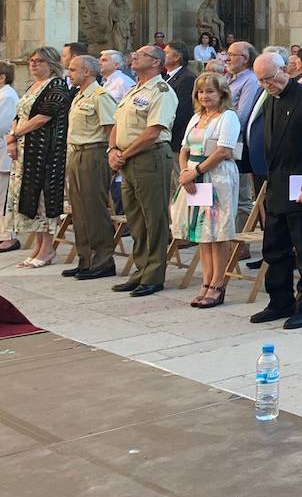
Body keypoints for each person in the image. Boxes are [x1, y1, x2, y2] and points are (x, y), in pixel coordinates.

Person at [246, 53, 302, 328]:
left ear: (285, 69)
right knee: (275, 248)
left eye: (270, 78)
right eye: (261, 80)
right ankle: (280, 300)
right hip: (277, 185)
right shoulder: (271, 100)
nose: (266, 84)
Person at [107, 45, 178, 295]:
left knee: (153, 218)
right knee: (135, 219)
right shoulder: (133, 89)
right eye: (134, 54)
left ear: (157, 62)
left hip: (149, 157)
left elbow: (153, 130)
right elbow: (118, 123)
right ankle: (140, 270)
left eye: (142, 55)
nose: (134, 57)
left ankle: (154, 274)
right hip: (127, 159)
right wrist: (113, 150)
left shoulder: (161, 90)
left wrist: (124, 154)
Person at [171, 72, 240, 308]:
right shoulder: (196, 117)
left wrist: (196, 171)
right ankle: (205, 281)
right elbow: (183, 149)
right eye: (201, 91)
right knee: (202, 233)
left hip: (216, 178)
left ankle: (217, 284)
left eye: (209, 91)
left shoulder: (227, 117)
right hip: (193, 177)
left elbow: (222, 151)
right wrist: (184, 173)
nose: (204, 95)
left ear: (221, 93)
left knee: (216, 232)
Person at [7, 48, 72, 269]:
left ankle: (48, 248)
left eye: (39, 61)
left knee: (43, 198)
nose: (33, 64)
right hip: (25, 150)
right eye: (32, 60)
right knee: (29, 197)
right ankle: (38, 246)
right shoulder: (31, 86)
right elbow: (19, 115)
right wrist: (12, 138)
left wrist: (15, 134)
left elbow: (43, 118)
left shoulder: (56, 86)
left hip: (45, 152)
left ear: (51, 63)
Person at [60, 56, 117, 280]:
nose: (69, 73)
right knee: (79, 210)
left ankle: (103, 260)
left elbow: (111, 127)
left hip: (94, 152)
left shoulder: (99, 96)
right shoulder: (79, 96)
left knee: (94, 208)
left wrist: (111, 154)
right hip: (76, 152)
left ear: (87, 72)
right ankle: (86, 258)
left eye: (73, 70)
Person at [226, 41, 261, 232]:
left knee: (242, 193)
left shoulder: (250, 80)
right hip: (225, 141)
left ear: (245, 59)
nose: (227, 58)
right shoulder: (231, 78)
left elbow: (243, 114)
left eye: (232, 55)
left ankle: (241, 242)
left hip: (239, 142)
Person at [0, 62, 19, 253]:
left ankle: (8, 237)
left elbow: (3, 125)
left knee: (4, 197)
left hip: (3, 152)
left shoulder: (7, 96)